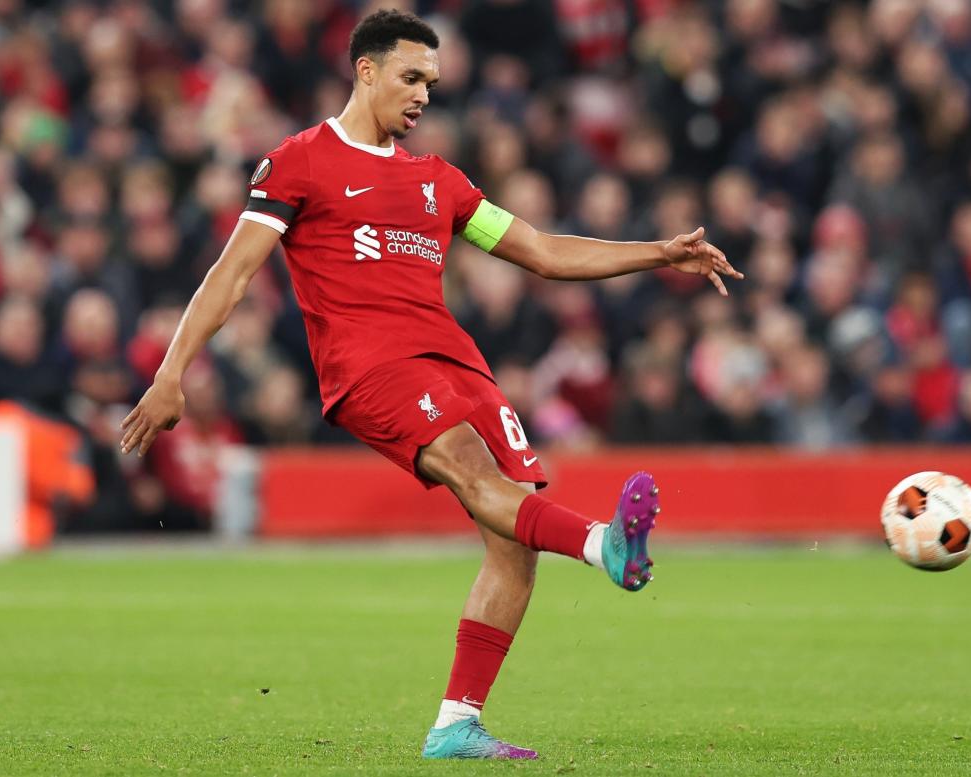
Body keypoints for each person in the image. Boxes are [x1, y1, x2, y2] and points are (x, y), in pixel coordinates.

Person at [118, 9, 741, 761]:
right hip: (372, 367)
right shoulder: (300, 163)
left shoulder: (436, 182)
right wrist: (171, 371)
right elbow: (234, 271)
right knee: (478, 477)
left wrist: (657, 253)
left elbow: (541, 251)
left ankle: (456, 723)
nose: (422, 95)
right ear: (367, 70)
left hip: (456, 361)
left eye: (432, 83)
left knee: (516, 539)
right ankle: (605, 544)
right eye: (411, 77)